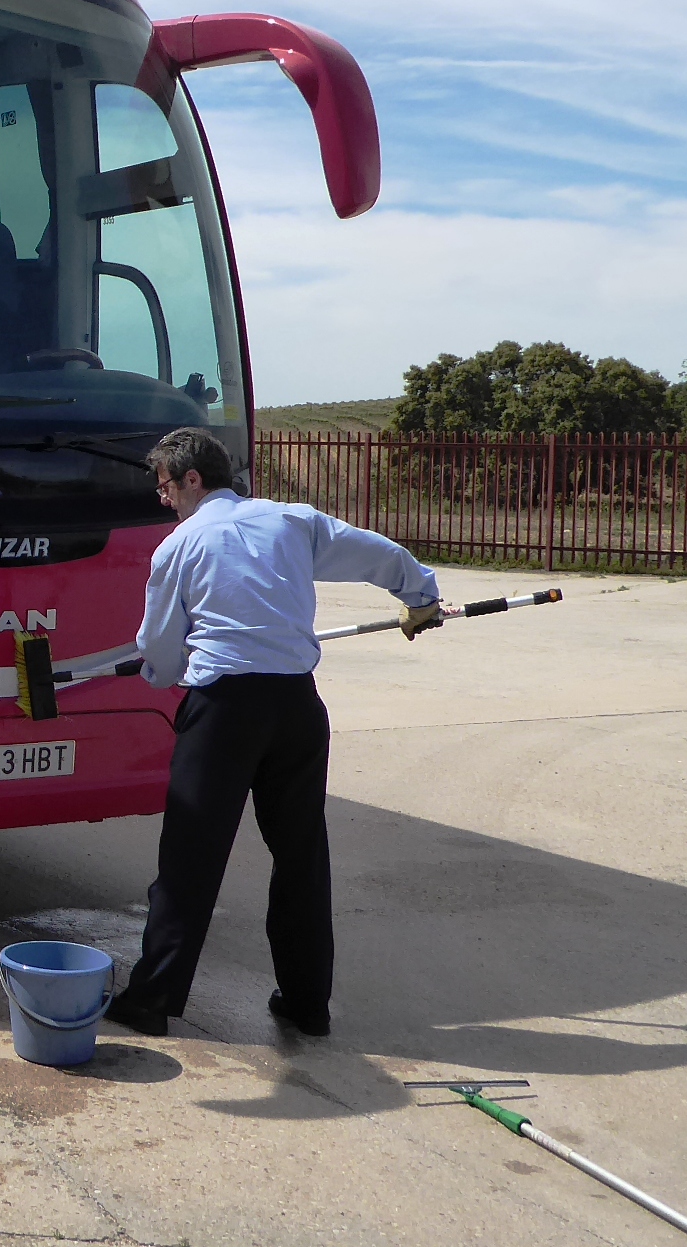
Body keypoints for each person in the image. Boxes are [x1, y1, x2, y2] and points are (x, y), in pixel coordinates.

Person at [105, 426, 442, 1041]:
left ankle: (151, 1001)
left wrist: (160, 673)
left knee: (190, 858)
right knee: (300, 856)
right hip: (296, 708)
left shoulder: (180, 545)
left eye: (165, 486)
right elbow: (379, 554)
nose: (162, 498)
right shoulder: (292, 520)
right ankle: (308, 1004)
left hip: (224, 711)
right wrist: (421, 596)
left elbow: (159, 651)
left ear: (192, 480)